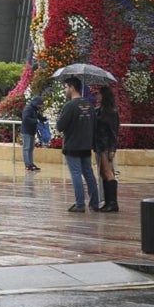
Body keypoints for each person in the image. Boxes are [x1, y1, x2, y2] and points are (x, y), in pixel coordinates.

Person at [57, 76, 100, 212]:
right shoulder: (89, 105)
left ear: (72, 88)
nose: (65, 90)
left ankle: (80, 203)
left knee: (76, 173)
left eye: (65, 87)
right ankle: (94, 203)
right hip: (86, 145)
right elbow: (94, 125)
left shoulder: (70, 106)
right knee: (88, 173)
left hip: (72, 146)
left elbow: (60, 126)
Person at [94, 85, 121, 212]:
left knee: (108, 172)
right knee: (103, 172)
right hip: (99, 145)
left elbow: (113, 132)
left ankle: (112, 202)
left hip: (105, 145)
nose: (97, 96)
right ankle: (107, 201)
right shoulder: (100, 110)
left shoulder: (110, 112)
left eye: (99, 94)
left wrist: (112, 149)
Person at [21, 95, 46, 171]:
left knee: (30, 148)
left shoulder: (34, 109)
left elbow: (37, 116)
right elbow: (25, 119)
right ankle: (28, 164)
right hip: (27, 131)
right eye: (39, 104)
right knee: (27, 148)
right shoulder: (28, 109)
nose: (40, 106)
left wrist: (42, 119)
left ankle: (30, 163)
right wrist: (36, 121)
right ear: (36, 103)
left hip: (31, 131)